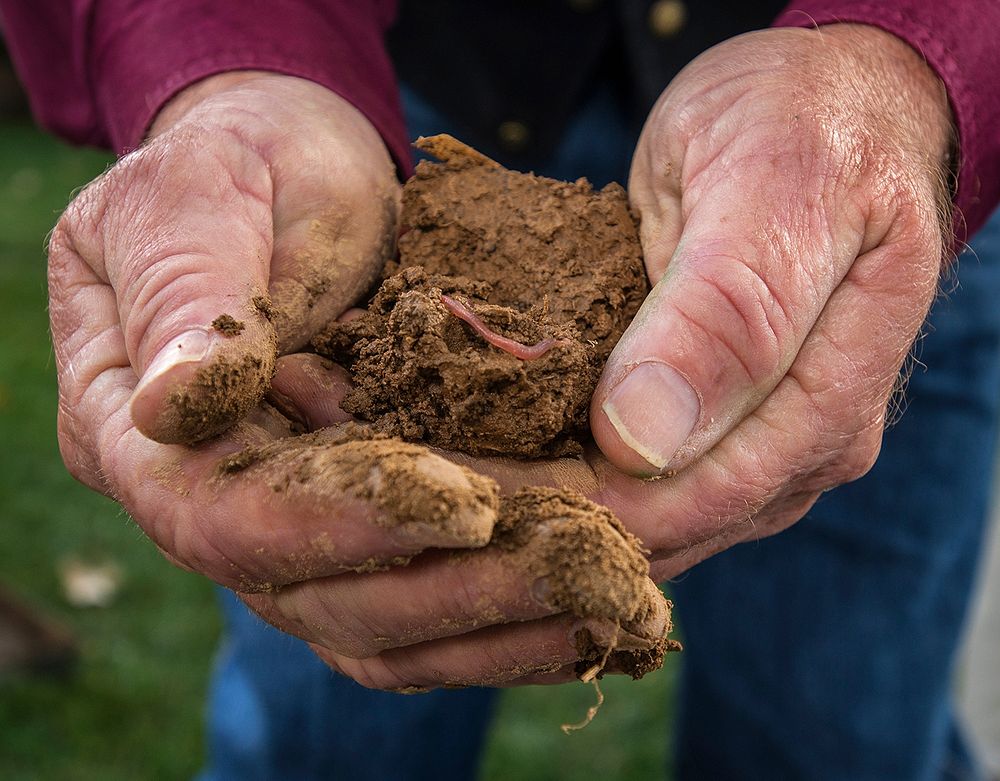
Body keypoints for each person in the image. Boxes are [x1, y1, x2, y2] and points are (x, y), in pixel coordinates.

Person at [2, 1, 999, 778]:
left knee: (831, 735)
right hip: (412, 92)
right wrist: (230, 72)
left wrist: (915, 65)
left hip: (853, 161)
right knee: (327, 728)